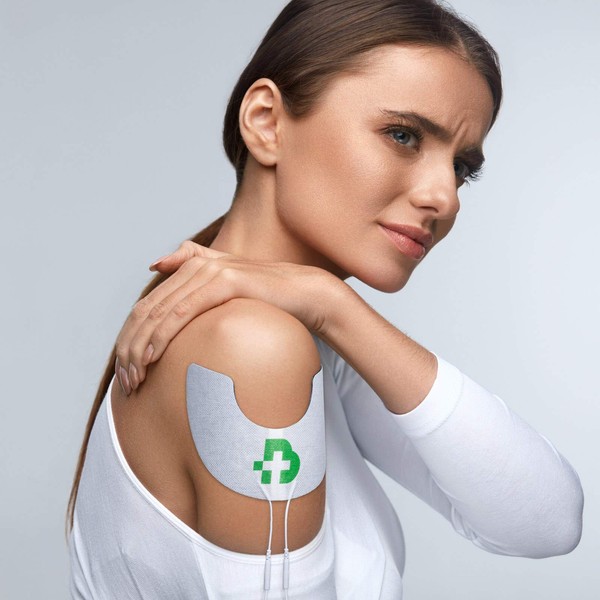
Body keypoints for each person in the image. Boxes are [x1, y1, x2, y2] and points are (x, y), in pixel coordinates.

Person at [65, 0, 584, 598]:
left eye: (462, 167)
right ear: (266, 122)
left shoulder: (304, 337)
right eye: (403, 135)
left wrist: (329, 304)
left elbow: (542, 521)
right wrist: (324, 304)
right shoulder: (251, 347)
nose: (445, 197)